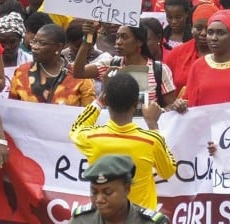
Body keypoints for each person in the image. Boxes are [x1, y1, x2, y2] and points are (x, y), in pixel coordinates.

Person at [69, 72, 177, 210]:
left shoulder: (92, 138)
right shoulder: (151, 141)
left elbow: (77, 128)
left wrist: (99, 101)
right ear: (136, 103)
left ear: (107, 101)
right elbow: (168, 171)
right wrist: (153, 126)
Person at [70, 154, 171, 224]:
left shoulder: (150, 222)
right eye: (94, 192)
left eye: (107, 192)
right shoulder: (81, 220)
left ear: (127, 189)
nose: (99, 199)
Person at [9, 24, 95, 105]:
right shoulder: (21, 72)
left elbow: (89, 113)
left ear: (58, 47)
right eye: (34, 42)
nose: (35, 47)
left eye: (42, 43)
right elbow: (12, 107)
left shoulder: (81, 78)